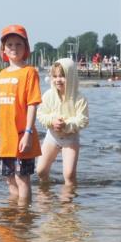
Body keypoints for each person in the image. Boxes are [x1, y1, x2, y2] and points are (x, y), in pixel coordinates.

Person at [0, 25, 42, 206]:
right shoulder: (2, 75)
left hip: (21, 135)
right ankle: (13, 214)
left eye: (19, 44)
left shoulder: (30, 72)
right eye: (9, 44)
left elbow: (32, 104)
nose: (14, 48)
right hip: (6, 138)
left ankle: (24, 216)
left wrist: (28, 133)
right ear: (3, 49)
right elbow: (2, 108)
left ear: (26, 47)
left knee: (22, 178)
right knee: (9, 178)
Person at [36, 58, 89, 186]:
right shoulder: (48, 95)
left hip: (71, 139)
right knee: (41, 171)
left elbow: (83, 120)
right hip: (52, 137)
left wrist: (66, 124)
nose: (58, 80)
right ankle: (45, 193)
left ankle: (68, 202)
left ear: (71, 77)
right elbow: (41, 114)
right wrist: (52, 121)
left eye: (62, 76)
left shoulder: (79, 98)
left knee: (69, 174)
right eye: (55, 76)